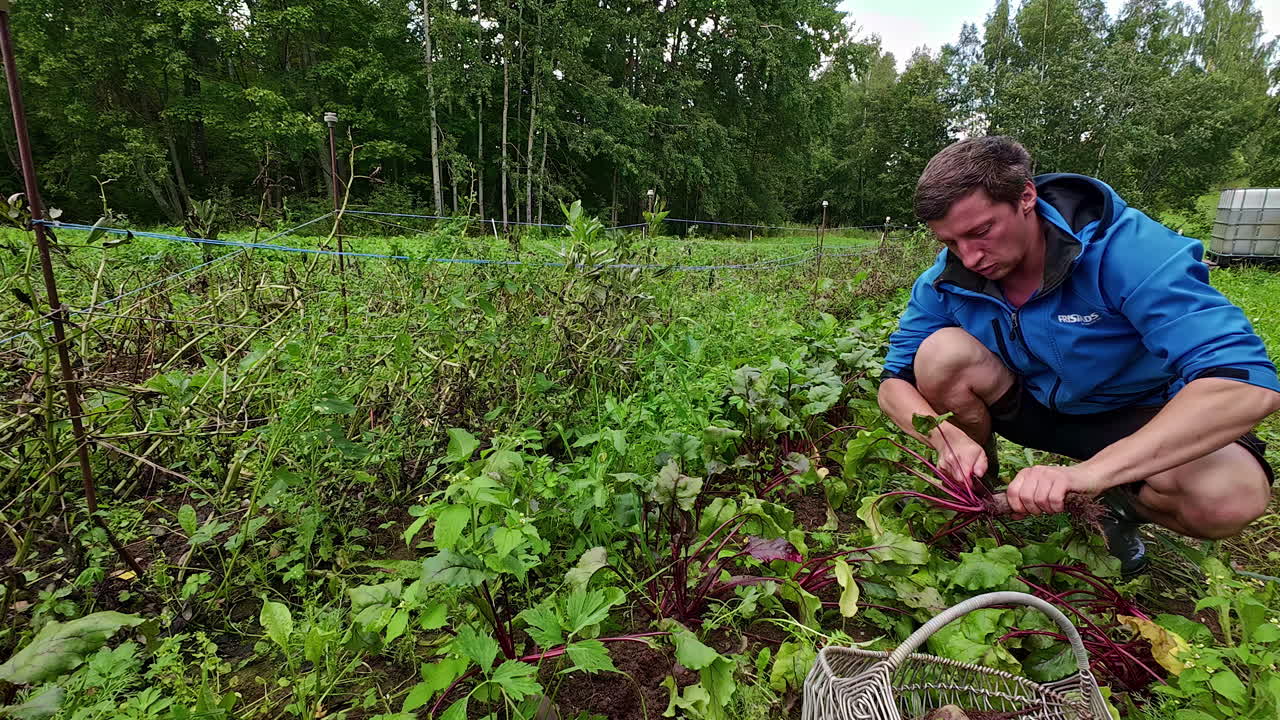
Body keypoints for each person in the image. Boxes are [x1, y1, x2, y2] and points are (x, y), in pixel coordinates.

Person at [877, 136, 1280, 575]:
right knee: (939, 354)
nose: (969, 258)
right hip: (1035, 405)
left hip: (1138, 413)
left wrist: (1089, 475)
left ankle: (1117, 507)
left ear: (1026, 196)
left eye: (981, 232)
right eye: (951, 242)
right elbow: (894, 380)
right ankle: (980, 496)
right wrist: (944, 438)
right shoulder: (946, 278)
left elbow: (1244, 384)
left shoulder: (1127, 251)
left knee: (1228, 497)